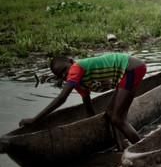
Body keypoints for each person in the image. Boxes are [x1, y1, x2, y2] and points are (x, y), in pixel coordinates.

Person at [19, 53, 147, 149]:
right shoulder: (80, 84)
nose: (65, 75)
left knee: (117, 118)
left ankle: (143, 150)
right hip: (126, 72)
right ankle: (121, 147)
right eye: (61, 75)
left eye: (64, 70)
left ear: (71, 61)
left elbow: (62, 98)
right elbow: (88, 105)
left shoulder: (76, 67)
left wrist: (35, 119)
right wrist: (91, 124)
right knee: (109, 113)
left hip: (131, 68)